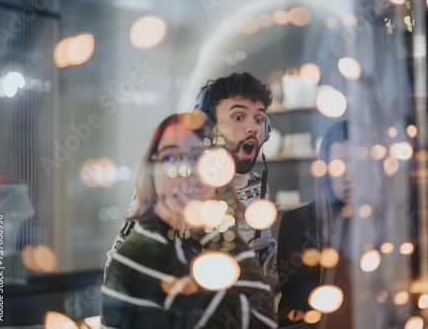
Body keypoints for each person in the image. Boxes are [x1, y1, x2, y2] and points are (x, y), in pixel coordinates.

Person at [101, 113, 277, 328]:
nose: (183, 172)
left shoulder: (210, 237)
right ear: (151, 174)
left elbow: (262, 315)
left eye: (197, 158)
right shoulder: (142, 253)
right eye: (170, 158)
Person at [107, 72, 277, 279]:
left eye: (259, 119)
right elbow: (118, 269)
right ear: (207, 128)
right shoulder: (173, 187)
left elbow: (258, 255)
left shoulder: (259, 187)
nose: (253, 128)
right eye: (238, 117)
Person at [276, 120, 353, 328]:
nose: (349, 177)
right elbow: (296, 303)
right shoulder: (297, 222)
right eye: (339, 166)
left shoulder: (387, 224)